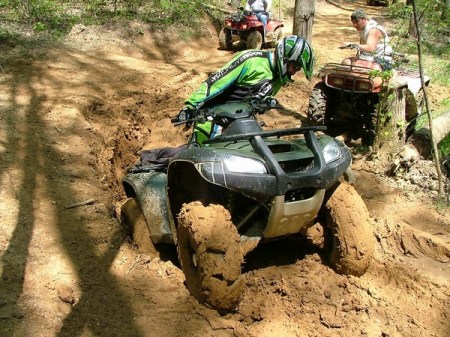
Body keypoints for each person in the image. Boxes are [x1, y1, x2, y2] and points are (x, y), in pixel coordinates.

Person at [173, 35, 314, 145]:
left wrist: (264, 103)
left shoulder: (278, 79)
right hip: (212, 118)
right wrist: (190, 105)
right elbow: (215, 82)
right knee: (201, 158)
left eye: (298, 69)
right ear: (286, 58)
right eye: (295, 67)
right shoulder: (251, 60)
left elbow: (255, 99)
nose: (295, 72)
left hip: (241, 123)